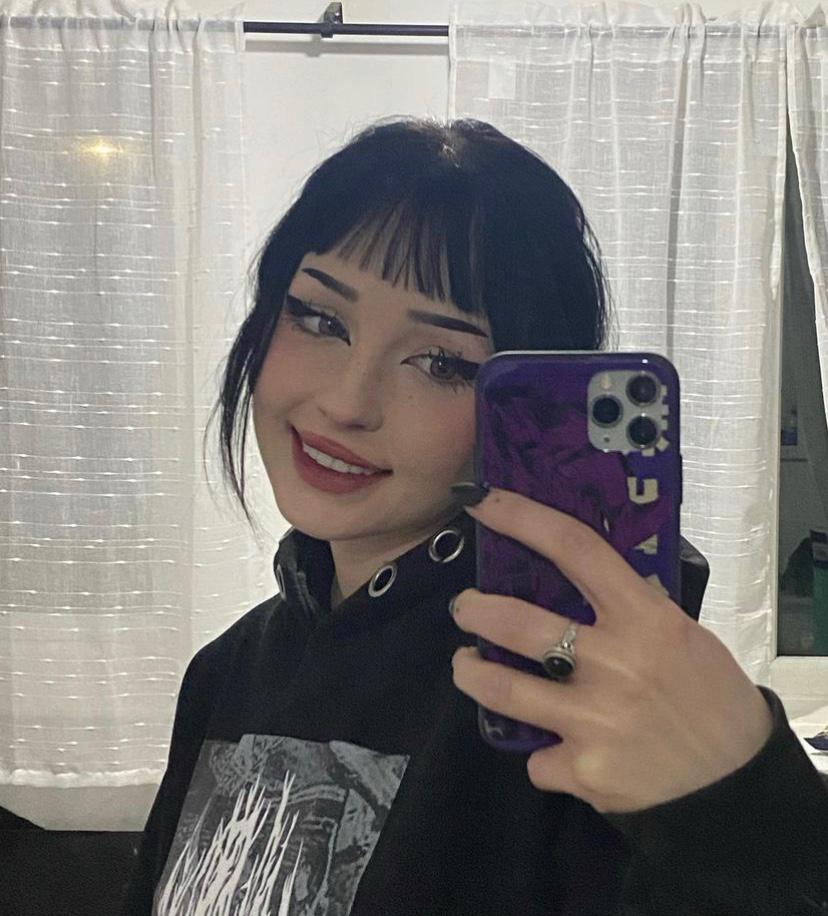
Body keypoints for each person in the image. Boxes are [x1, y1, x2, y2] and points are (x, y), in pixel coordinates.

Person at [121, 117, 828, 915]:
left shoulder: (570, 700)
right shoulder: (226, 671)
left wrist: (740, 798)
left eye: (442, 362)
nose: (348, 402)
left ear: (519, 409)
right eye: (319, 318)